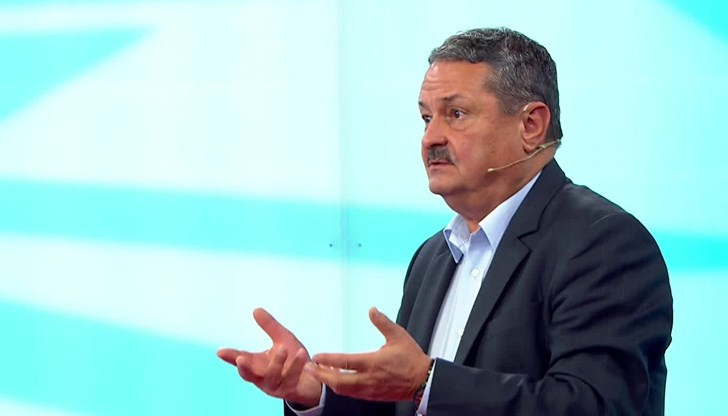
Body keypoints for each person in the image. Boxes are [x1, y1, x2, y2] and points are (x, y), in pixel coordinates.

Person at [217, 27, 673, 416]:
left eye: (456, 114)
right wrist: (314, 395)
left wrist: (427, 382)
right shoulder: (434, 256)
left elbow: (595, 405)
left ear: (531, 125)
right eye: (425, 117)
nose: (431, 137)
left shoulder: (603, 242)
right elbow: (409, 406)